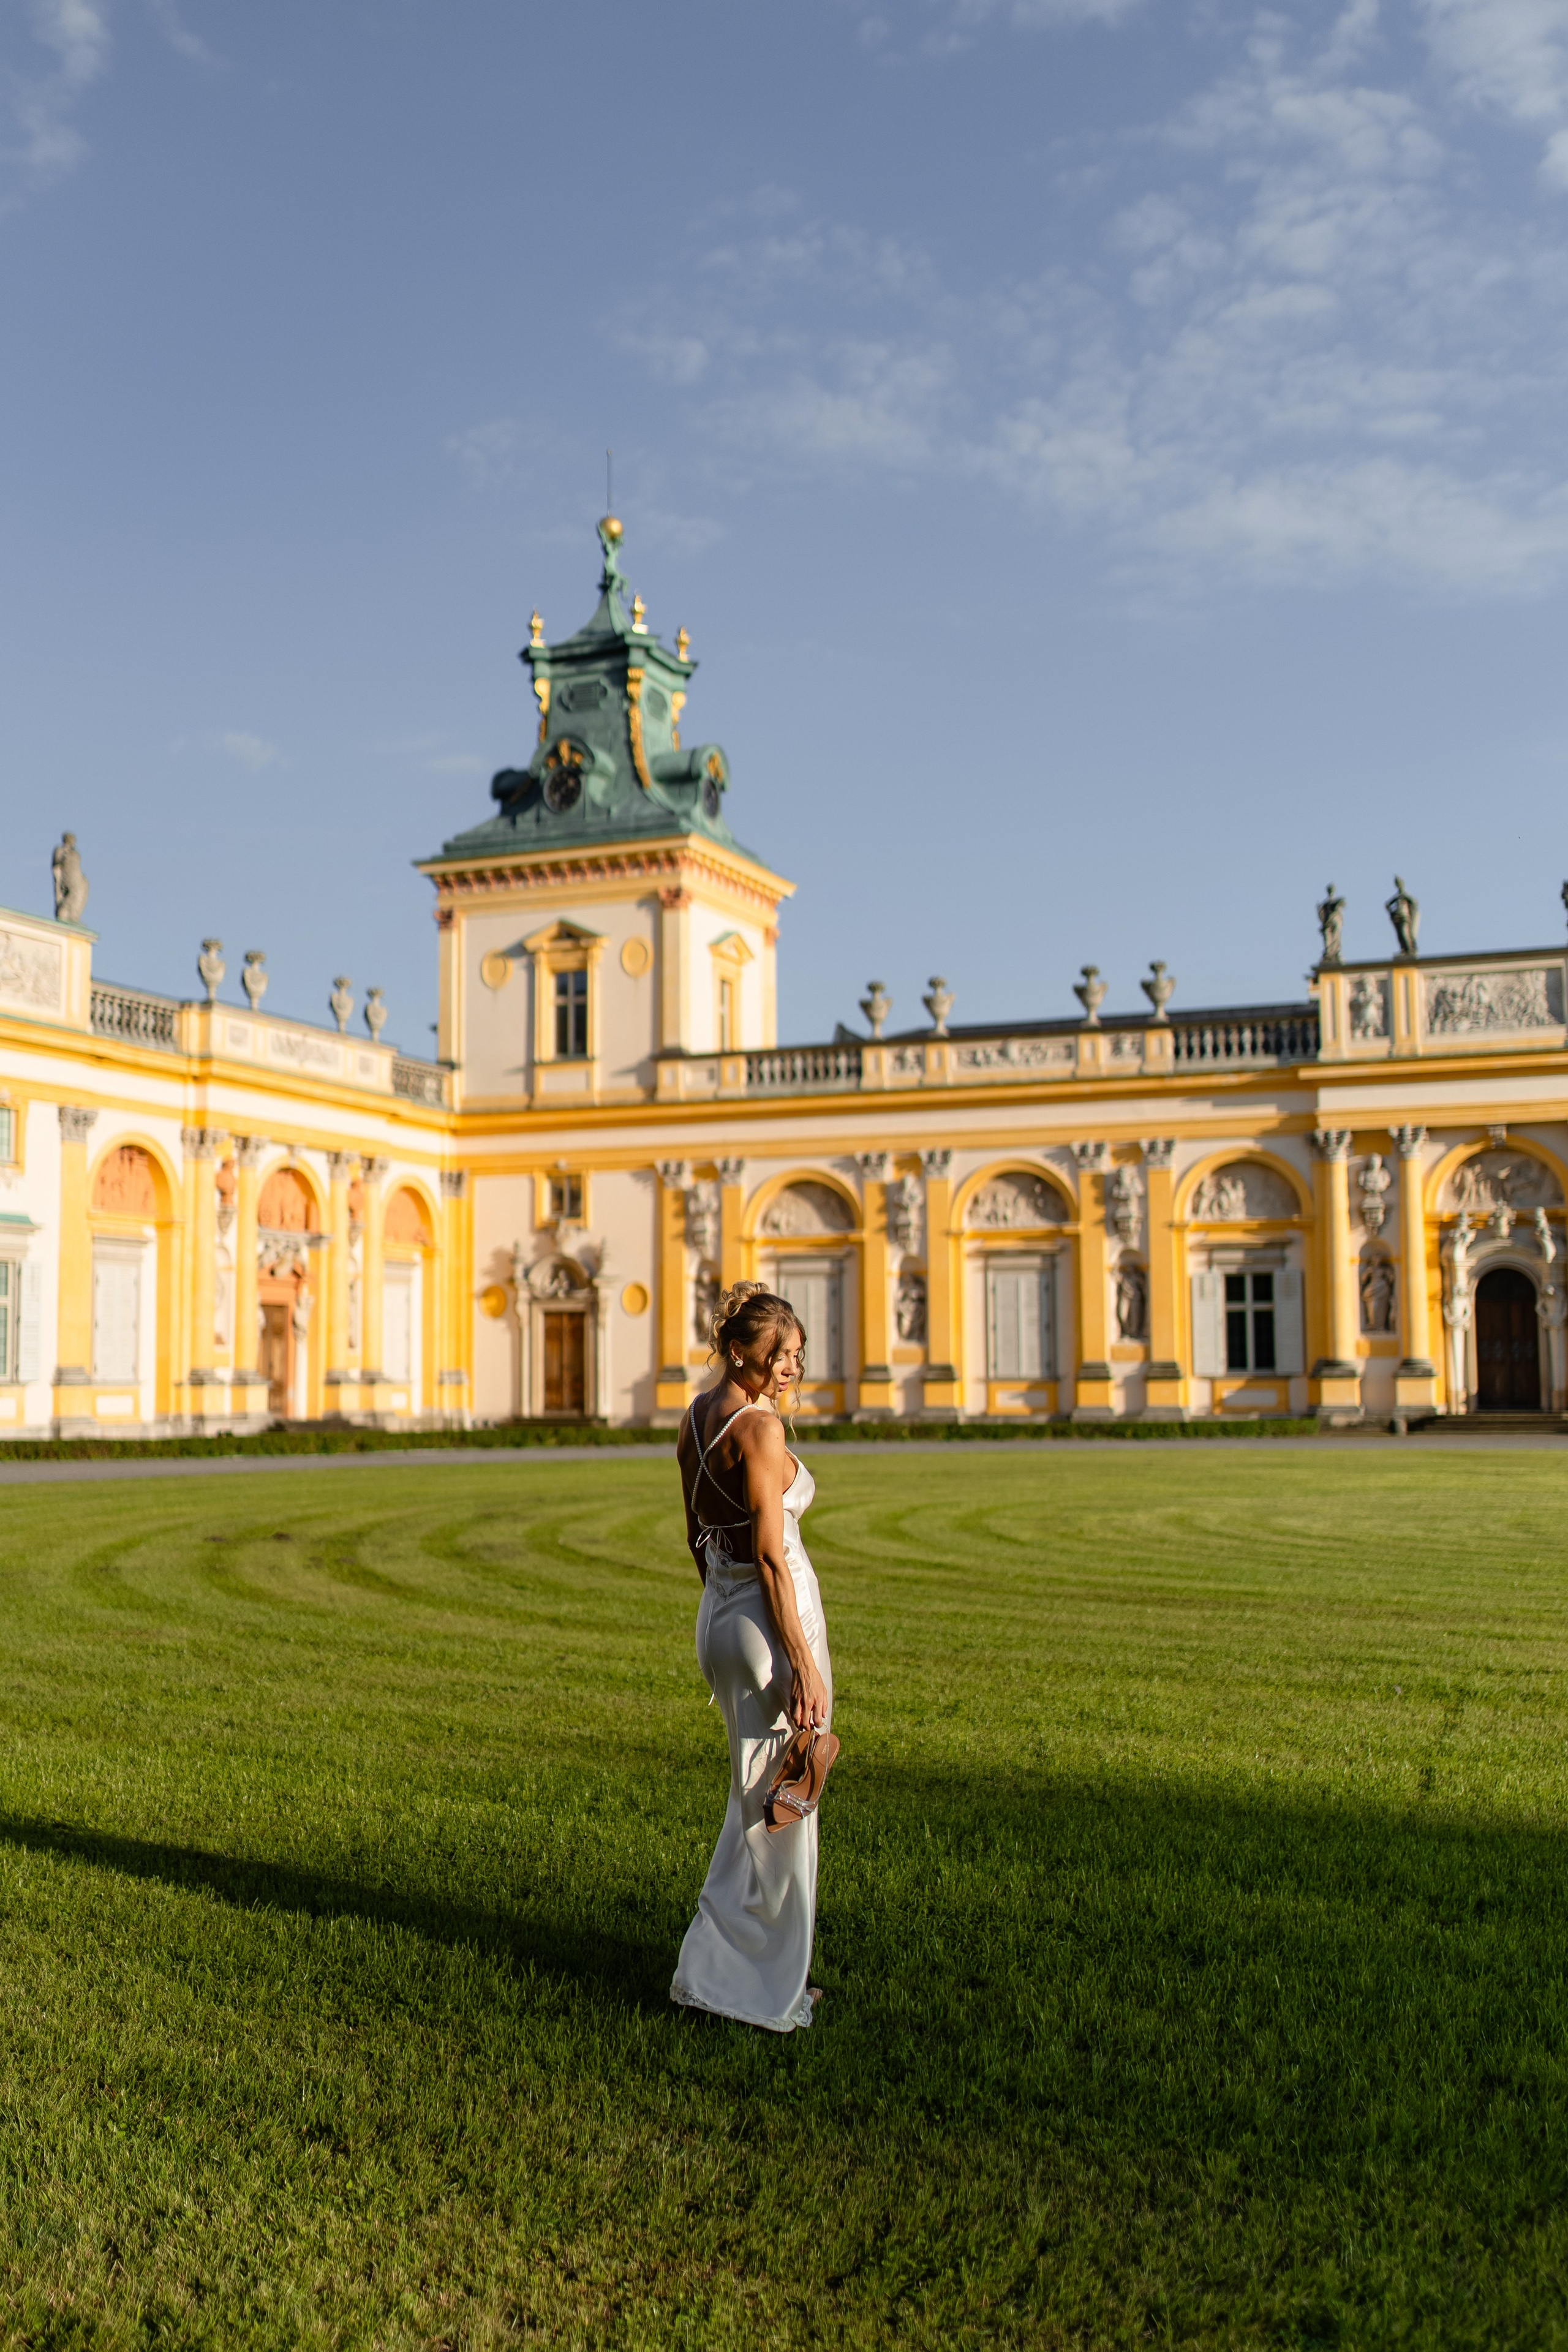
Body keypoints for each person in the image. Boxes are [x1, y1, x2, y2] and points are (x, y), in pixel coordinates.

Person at [670, 1281, 833, 2033]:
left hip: (725, 1617)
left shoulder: (695, 1417)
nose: (792, 1368)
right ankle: (761, 1988)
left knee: (754, 1804)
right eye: (781, 1355)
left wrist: (721, 1614)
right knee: (782, 1808)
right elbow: (771, 1556)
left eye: (797, 1355)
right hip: (770, 1624)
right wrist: (797, 1658)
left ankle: (731, 1965)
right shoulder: (759, 1432)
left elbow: (700, 1537)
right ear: (741, 1351)